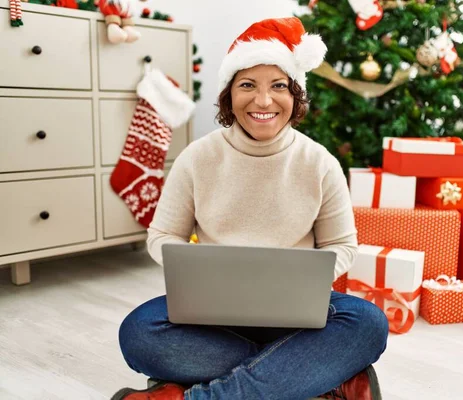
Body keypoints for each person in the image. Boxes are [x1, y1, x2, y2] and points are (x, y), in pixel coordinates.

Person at [112, 16, 389, 400]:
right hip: (212, 317)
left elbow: (342, 245)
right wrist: (195, 268)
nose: (263, 101)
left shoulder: (319, 162)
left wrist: (303, 279)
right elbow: (162, 235)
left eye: (278, 86)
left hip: (296, 317)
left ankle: (196, 395)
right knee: (139, 334)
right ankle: (317, 380)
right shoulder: (198, 158)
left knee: (368, 324)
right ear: (229, 95)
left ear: (295, 96)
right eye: (247, 86)